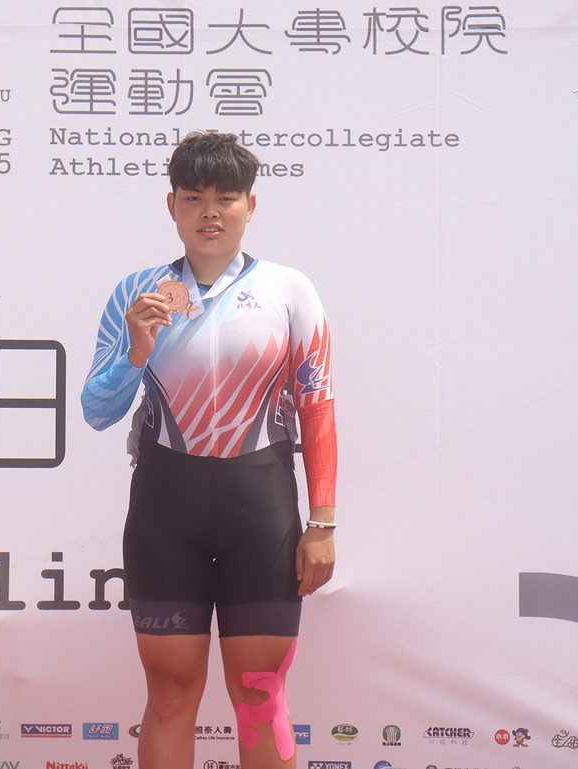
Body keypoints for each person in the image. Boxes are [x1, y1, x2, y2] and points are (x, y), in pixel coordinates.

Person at [81, 131, 337, 769]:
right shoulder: (136, 293)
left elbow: (318, 407)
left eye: (226, 198)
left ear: (252, 205)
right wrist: (136, 353)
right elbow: (96, 411)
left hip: (262, 507)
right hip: (166, 508)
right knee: (170, 692)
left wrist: (323, 523)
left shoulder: (289, 290)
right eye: (194, 198)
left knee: (259, 693)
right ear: (172, 206)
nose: (210, 212)